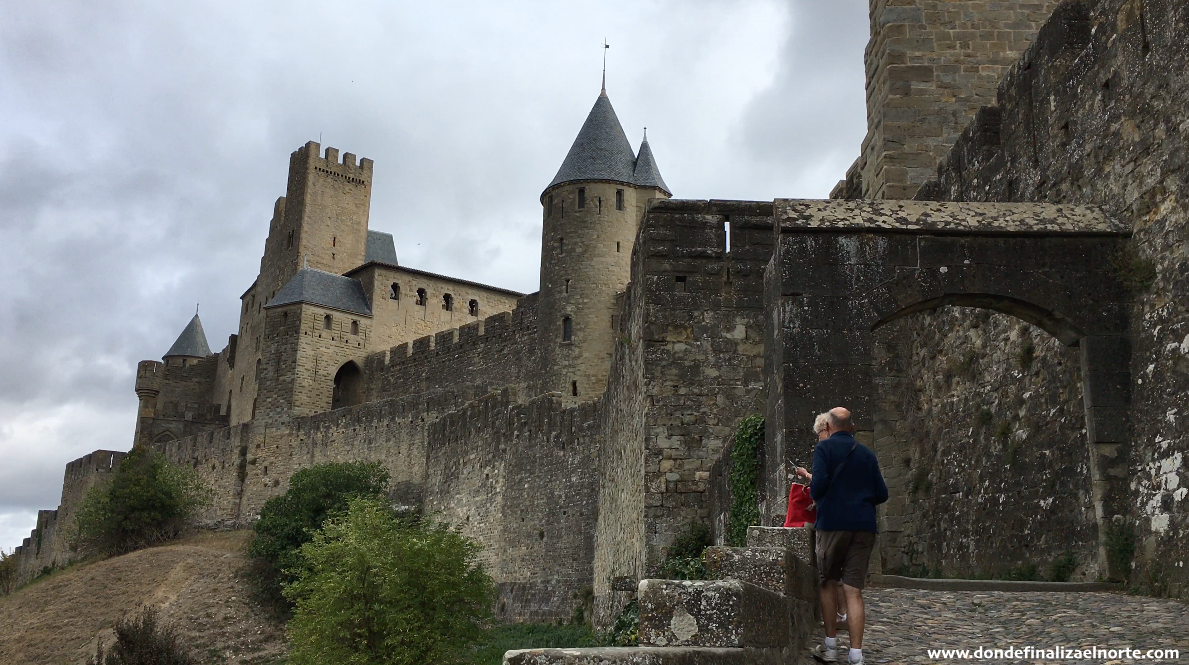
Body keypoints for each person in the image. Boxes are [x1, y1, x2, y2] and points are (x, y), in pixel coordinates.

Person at [806, 407, 888, 665]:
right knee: (853, 591)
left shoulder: (824, 449)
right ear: (852, 428)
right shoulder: (867, 454)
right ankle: (856, 655)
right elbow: (882, 494)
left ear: (827, 428)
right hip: (863, 527)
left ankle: (830, 648)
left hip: (832, 525)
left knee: (829, 583)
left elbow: (817, 488)